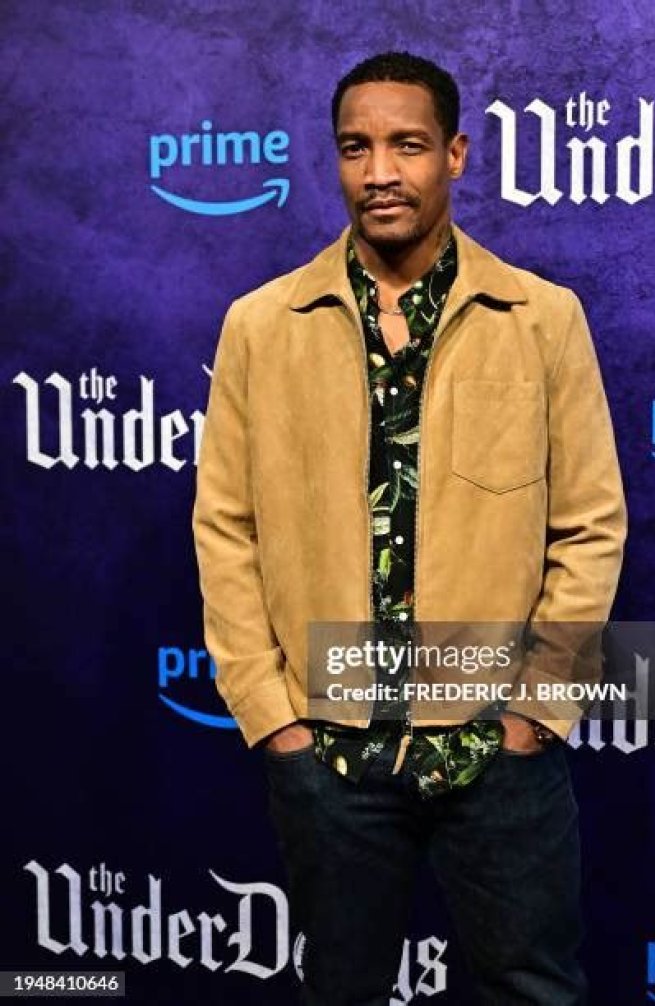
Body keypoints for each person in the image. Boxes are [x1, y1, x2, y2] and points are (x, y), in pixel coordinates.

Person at [193, 51, 626, 1006]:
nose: (380, 171)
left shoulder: (542, 319)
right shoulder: (261, 325)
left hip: (495, 752)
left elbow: (591, 525)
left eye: (407, 145)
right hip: (329, 756)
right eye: (356, 148)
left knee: (534, 989)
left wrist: (534, 711)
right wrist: (273, 719)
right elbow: (226, 529)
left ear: (456, 155)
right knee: (340, 991)